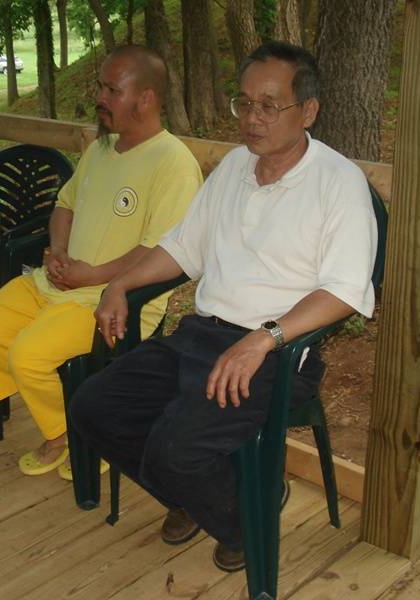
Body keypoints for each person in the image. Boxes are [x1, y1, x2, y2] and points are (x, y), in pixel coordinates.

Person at [69, 41, 378, 572]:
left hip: (275, 356)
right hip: (202, 336)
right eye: (244, 103)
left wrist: (264, 339)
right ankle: (198, 497)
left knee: (174, 450)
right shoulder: (235, 166)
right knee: (93, 406)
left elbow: (345, 291)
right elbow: (182, 247)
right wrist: (119, 284)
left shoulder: (338, 183)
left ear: (308, 111)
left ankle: (242, 522)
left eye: (269, 106)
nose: (252, 118)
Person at [0, 45, 203, 479]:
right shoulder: (101, 149)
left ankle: (74, 434)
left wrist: (93, 276)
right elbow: (64, 205)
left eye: (112, 90)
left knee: (27, 354)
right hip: (56, 283)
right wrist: (58, 251)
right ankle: (72, 426)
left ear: (146, 98)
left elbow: (160, 251)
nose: (100, 98)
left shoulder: (174, 165)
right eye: (100, 87)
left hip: (112, 301)